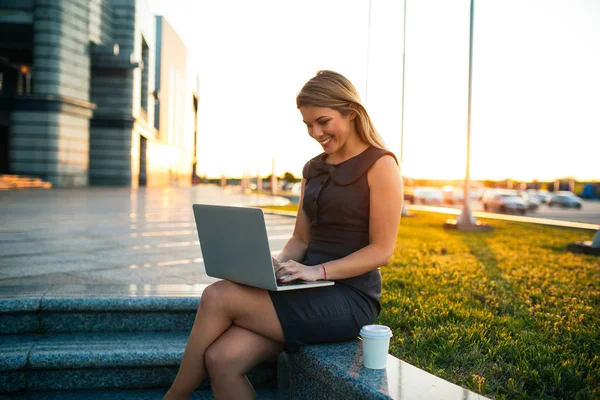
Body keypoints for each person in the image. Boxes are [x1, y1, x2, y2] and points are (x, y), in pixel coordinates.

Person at [163, 70, 403, 400]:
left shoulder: (381, 165)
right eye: (308, 125)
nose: (315, 132)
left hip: (349, 297)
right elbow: (300, 240)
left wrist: (317, 271)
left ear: (351, 111)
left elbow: (381, 251)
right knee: (222, 359)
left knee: (218, 296)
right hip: (305, 285)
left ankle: (175, 395)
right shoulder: (313, 169)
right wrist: (274, 264)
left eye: (323, 121)